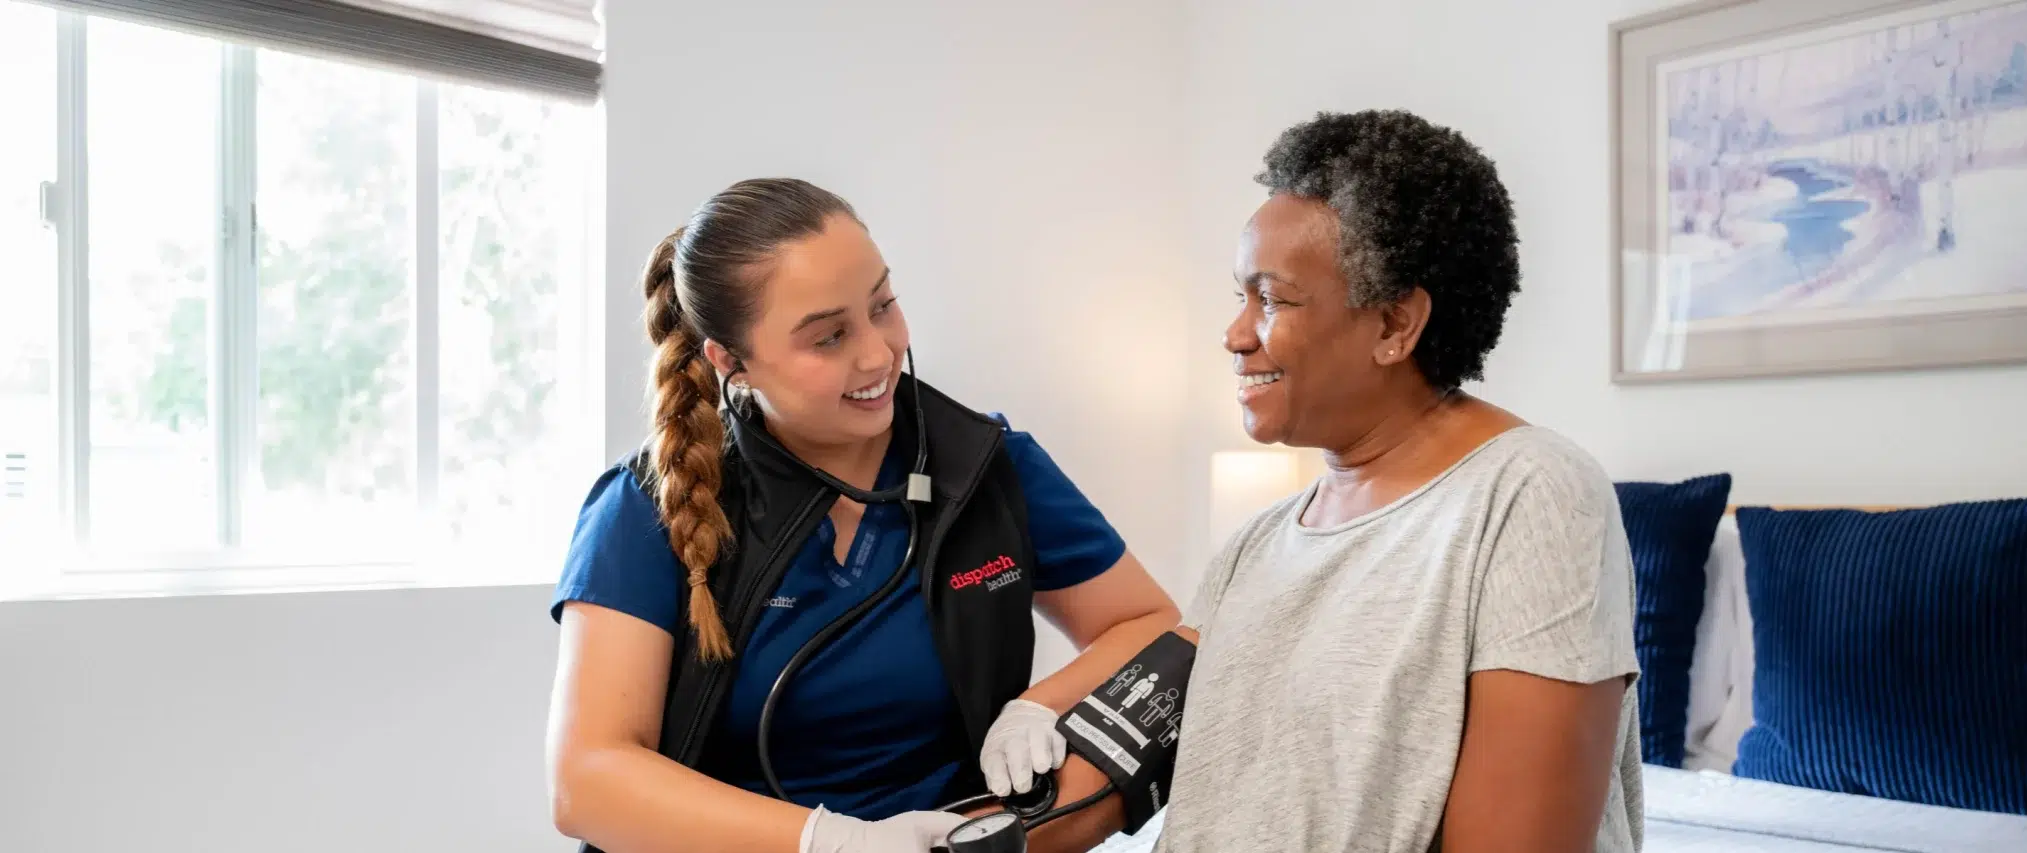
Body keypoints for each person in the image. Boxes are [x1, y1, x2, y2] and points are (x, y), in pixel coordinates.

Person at [544, 178, 1180, 853]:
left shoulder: (989, 468)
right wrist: (831, 841)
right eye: (828, 337)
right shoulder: (644, 506)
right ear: (731, 361)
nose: (878, 352)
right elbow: (586, 780)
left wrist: (1038, 704)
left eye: (884, 304)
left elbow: (1150, 622)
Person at [1155, 110, 1643, 852]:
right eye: (1240, 296)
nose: (1236, 334)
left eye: (1273, 298)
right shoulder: (1259, 542)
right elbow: (1127, 740)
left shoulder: (1533, 495)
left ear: (1393, 324)